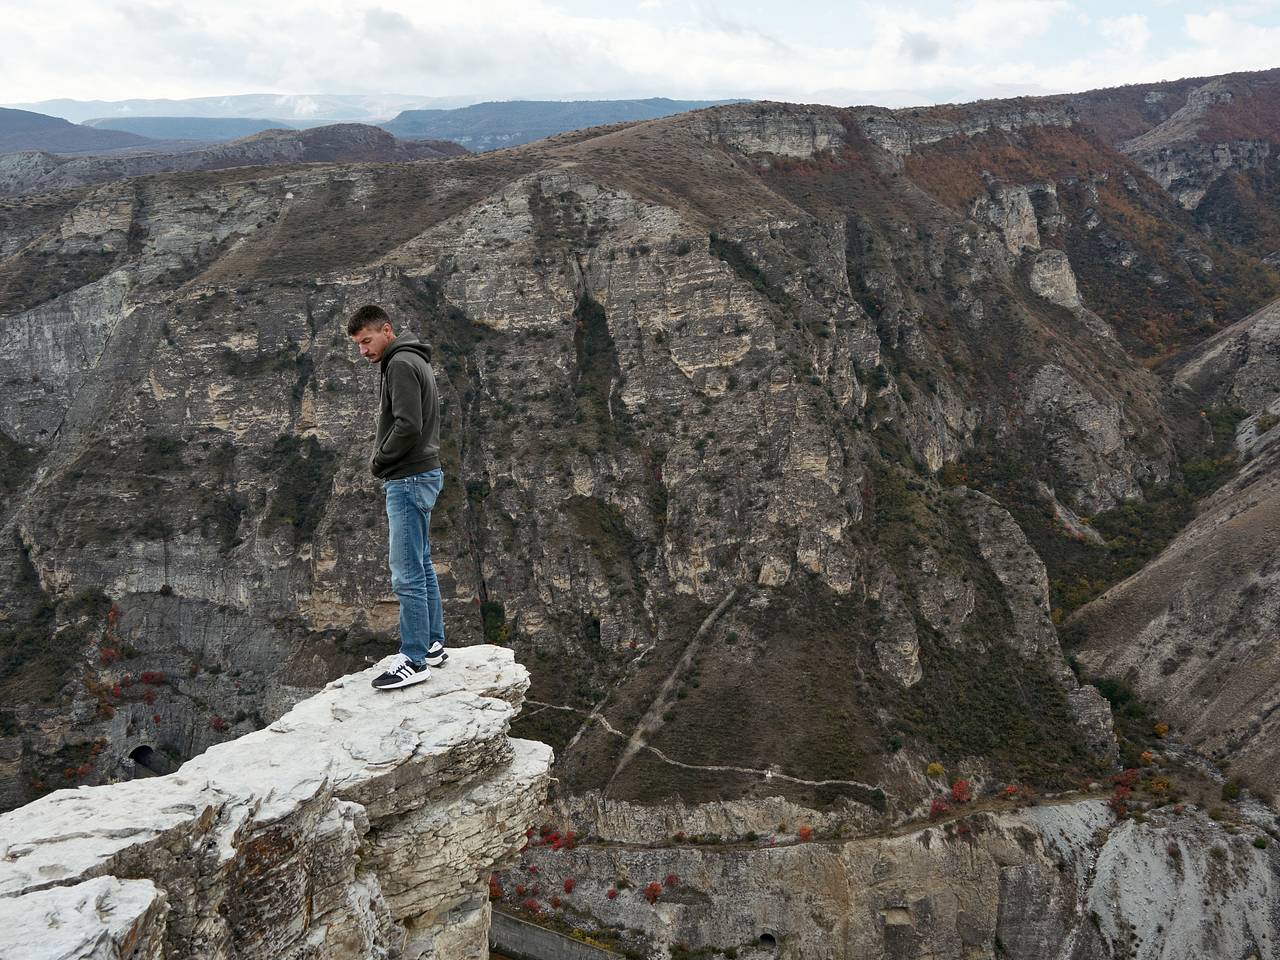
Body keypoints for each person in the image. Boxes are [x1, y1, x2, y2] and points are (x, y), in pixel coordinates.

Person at [347, 304, 448, 690]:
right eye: (358, 345)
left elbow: (408, 425)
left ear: (386, 330)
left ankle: (414, 657)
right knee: (421, 563)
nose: (363, 351)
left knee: (405, 571)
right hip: (423, 473)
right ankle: (434, 644)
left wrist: (379, 460)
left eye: (366, 341)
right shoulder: (411, 358)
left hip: (407, 477)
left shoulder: (400, 364)